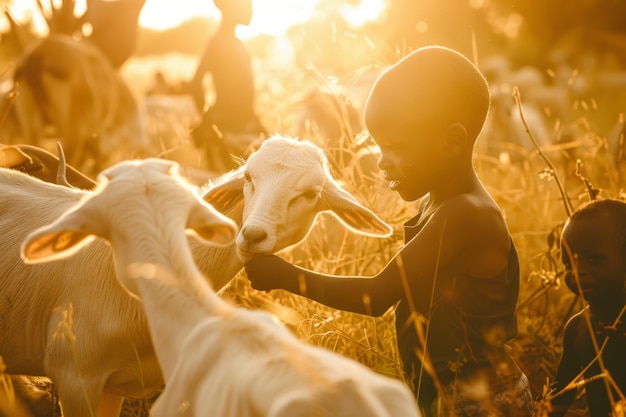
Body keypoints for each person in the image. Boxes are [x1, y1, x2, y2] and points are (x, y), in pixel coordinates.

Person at [244, 45, 533, 416]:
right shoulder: (436, 204)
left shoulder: (466, 214)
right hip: (442, 397)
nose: (381, 161)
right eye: (378, 146)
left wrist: (286, 276)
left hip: (482, 402)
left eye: (394, 147)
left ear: (452, 142)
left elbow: (376, 296)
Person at [549, 199, 626, 417]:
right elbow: (559, 395)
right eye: (567, 262)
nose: (577, 271)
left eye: (594, 259)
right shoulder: (578, 328)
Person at [187, 0, 266, 172]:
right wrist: (208, 122)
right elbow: (195, 83)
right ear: (231, 8)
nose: (251, 11)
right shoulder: (218, 42)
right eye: (247, 5)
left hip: (245, 124)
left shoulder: (235, 42)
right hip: (226, 130)